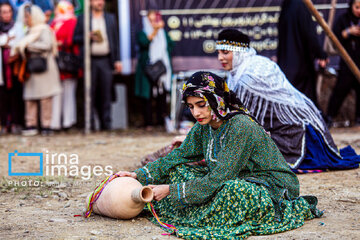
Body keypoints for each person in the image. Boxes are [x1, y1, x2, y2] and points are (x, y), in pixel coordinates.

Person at [117, 71, 322, 239]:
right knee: (179, 170)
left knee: (230, 191)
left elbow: (220, 178)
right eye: (191, 107)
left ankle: (196, 207)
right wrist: (138, 174)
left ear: (216, 100)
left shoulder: (240, 127)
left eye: (201, 104)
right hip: (233, 177)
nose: (196, 113)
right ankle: (198, 205)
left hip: (272, 186)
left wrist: (171, 190)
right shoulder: (203, 126)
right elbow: (179, 155)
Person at [216, 28, 360, 171]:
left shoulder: (249, 77)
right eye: (219, 52)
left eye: (225, 52)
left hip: (295, 128)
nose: (220, 58)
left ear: (239, 53)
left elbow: (242, 118)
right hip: (279, 123)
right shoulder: (243, 69)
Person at [12, 4, 61, 136]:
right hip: (31, 69)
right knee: (30, 97)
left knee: (45, 99)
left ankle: (46, 125)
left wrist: (28, 45)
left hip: (44, 68)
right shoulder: (28, 31)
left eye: (28, 17)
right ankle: (31, 124)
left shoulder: (44, 30)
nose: (26, 20)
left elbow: (46, 45)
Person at [73, 0, 122, 131]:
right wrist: (87, 36)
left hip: (106, 60)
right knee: (90, 93)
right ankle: (90, 124)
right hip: (90, 62)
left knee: (106, 93)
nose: (100, 2)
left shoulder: (110, 18)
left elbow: (115, 40)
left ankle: (106, 124)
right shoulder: (83, 18)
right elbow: (75, 39)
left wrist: (117, 60)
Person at [277, 0, 328, 106]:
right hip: (301, 67)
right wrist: (321, 54)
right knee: (305, 106)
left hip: (286, 66)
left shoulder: (287, 5)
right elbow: (309, 34)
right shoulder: (300, 5)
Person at [135, 10, 174, 130]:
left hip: (161, 70)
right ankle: (148, 123)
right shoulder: (142, 33)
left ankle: (161, 121)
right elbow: (144, 42)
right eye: (150, 21)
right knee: (147, 96)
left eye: (155, 20)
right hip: (146, 69)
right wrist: (156, 30)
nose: (153, 23)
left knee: (161, 95)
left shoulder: (163, 34)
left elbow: (171, 45)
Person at [327, 0, 360, 126]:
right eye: (357, 7)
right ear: (351, 6)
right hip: (347, 63)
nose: (359, 10)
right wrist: (348, 32)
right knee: (340, 90)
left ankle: (358, 119)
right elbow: (334, 38)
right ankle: (329, 117)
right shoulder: (343, 19)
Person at [50, 0, 78, 131]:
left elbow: (72, 39)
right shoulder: (54, 22)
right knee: (55, 92)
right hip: (54, 63)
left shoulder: (72, 21)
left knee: (68, 92)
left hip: (67, 62)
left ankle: (68, 122)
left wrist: (61, 43)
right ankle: (55, 123)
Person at [0, 2, 24, 135]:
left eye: (8, 11)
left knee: (16, 95)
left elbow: (19, 43)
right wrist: (7, 41)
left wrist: (6, 42)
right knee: (2, 96)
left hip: (14, 66)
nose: (6, 14)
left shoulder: (18, 27)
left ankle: (16, 123)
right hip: (1, 68)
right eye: (3, 12)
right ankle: (3, 124)